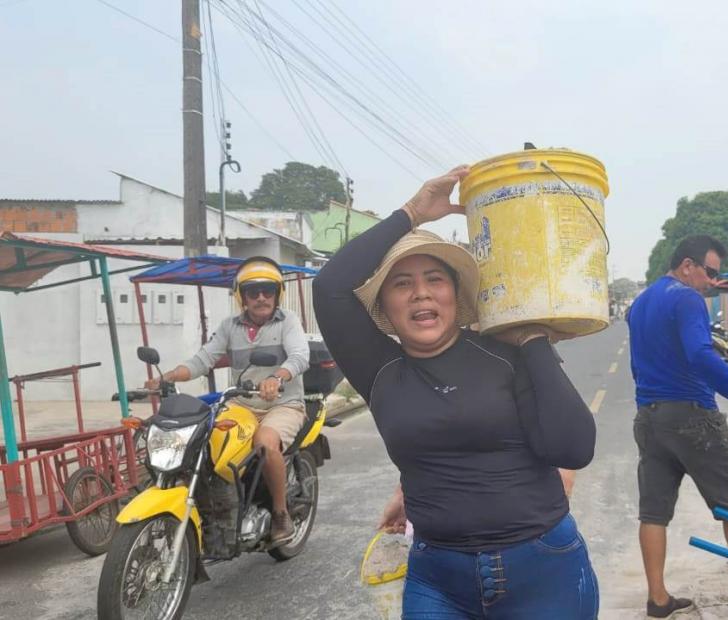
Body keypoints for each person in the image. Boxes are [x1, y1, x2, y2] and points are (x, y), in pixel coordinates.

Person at [312, 166, 599, 619]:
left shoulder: (506, 354)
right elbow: (329, 286)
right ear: (384, 305)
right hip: (437, 578)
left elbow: (574, 447)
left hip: (543, 570)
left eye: (435, 279)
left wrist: (532, 340)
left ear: (454, 293)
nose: (420, 294)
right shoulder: (379, 370)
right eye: (402, 284)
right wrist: (412, 212)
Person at [627, 235, 728, 618]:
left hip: (649, 416)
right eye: (711, 272)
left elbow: (638, 364)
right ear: (688, 266)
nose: (713, 282)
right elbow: (700, 356)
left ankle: (658, 600)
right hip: (692, 415)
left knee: (653, 512)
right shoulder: (686, 299)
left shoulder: (641, 302)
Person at [145, 256, 310, 545]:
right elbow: (202, 360)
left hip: (283, 404)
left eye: (267, 290)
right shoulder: (229, 327)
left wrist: (276, 378)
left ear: (277, 294)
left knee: (265, 443)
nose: (261, 297)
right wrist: (167, 377)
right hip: (242, 403)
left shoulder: (288, 321)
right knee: (202, 439)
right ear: (241, 297)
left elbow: (299, 356)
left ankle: (280, 512)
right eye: (253, 292)